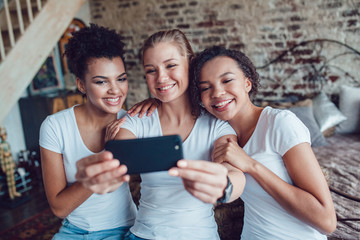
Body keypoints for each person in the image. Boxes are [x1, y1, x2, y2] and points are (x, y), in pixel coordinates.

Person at [75, 29, 245, 240]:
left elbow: (233, 172)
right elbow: (117, 160)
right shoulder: (136, 121)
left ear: (190, 63)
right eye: (151, 70)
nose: (161, 78)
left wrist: (225, 185)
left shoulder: (217, 126)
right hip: (143, 235)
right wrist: (103, 167)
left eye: (171, 65)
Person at [188, 46, 337, 239]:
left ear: (247, 83)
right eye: (206, 87)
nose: (217, 93)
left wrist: (251, 165)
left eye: (227, 80)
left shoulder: (280, 123)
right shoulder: (219, 134)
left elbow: (326, 221)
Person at [39, 24, 140, 240]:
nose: (115, 90)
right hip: (73, 231)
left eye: (121, 79)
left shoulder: (132, 122)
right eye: (101, 81)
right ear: (81, 85)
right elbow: (59, 208)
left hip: (124, 228)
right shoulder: (54, 126)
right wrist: (103, 165)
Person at [0, 127, 21, 200]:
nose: (4, 137)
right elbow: (1, 157)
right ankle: (11, 193)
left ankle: (14, 191)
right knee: (9, 180)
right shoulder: (1, 146)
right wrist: (3, 166)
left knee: (13, 179)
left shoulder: (7, 144)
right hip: (6, 164)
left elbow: (10, 154)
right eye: (3, 136)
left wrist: (13, 162)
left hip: (10, 162)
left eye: (5, 135)